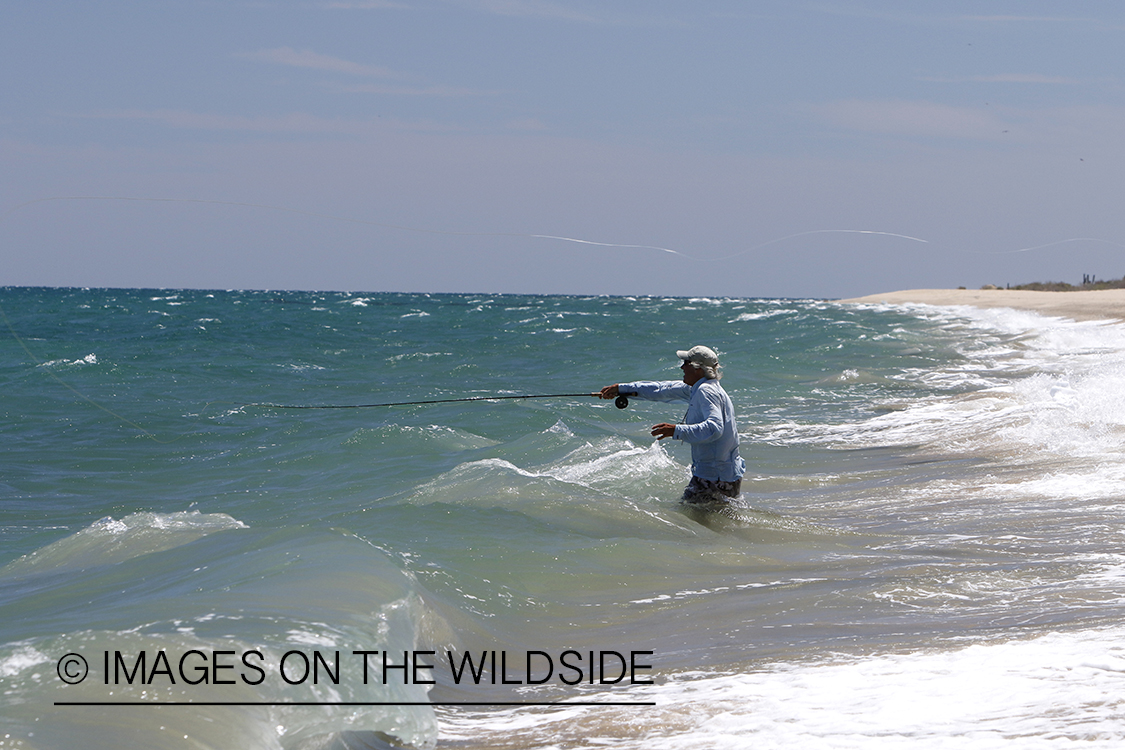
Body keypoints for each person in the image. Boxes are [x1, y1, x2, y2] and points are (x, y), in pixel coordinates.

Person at [600, 345, 745, 502]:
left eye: (686, 363)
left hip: (714, 477)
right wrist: (621, 389)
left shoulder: (705, 391)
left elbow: (714, 428)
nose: (682, 367)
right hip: (724, 474)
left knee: (689, 518)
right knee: (714, 519)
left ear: (698, 369)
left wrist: (676, 430)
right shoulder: (701, 388)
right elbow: (663, 389)